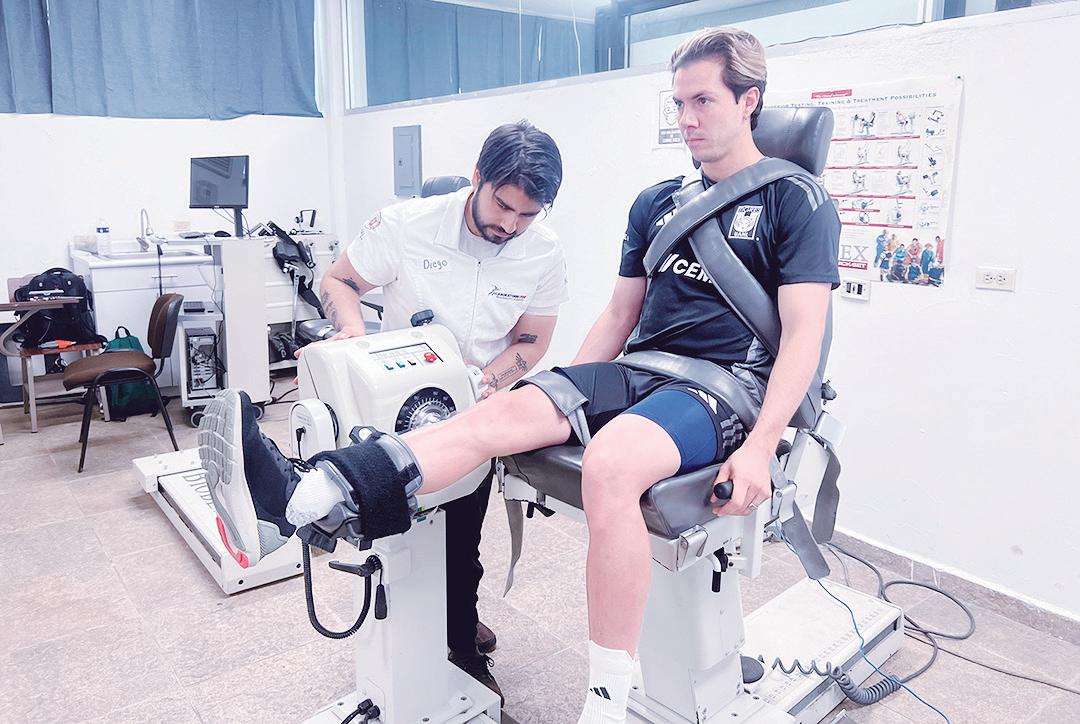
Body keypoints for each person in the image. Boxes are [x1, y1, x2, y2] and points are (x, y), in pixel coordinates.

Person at [201, 26, 839, 724]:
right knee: (492, 417)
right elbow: (620, 314)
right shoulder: (656, 202)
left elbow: (803, 334)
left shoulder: (796, 201)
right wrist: (566, 395)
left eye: (703, 101)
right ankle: (305, 496)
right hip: (639, 371)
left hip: (722, 385)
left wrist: (759, 445)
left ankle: (603, 702)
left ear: (749, 101)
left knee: (611, 463)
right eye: (678, 103)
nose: (686, 118)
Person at [308, 121, 570, 701]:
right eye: (502, 206)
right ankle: (405, 636)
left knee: (463, 537)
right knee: (396, 531)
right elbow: (340, 279)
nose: (510, 226)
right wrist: (351, 332)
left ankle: (460, 641)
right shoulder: (405, 225)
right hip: (396, 407)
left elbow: (531, 341)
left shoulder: (543, 251)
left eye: (527, 215)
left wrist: (486, 381)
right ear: (478, 177)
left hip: (476, 412)